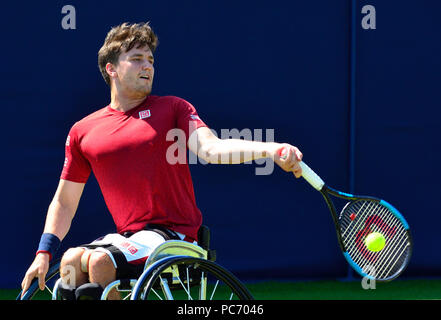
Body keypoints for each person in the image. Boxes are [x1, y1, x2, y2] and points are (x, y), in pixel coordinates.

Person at [21, 22, 303, 299]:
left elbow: (211, 149)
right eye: (136, 59)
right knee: (70, 262)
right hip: (129, 239)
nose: (148, 66)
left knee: (98, 262)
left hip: (176, 238)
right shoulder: (83, 131)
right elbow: (64, 202)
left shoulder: (173, 108)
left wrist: (270, 149)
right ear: (112, 69)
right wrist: (44, 253)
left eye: (151, 60)